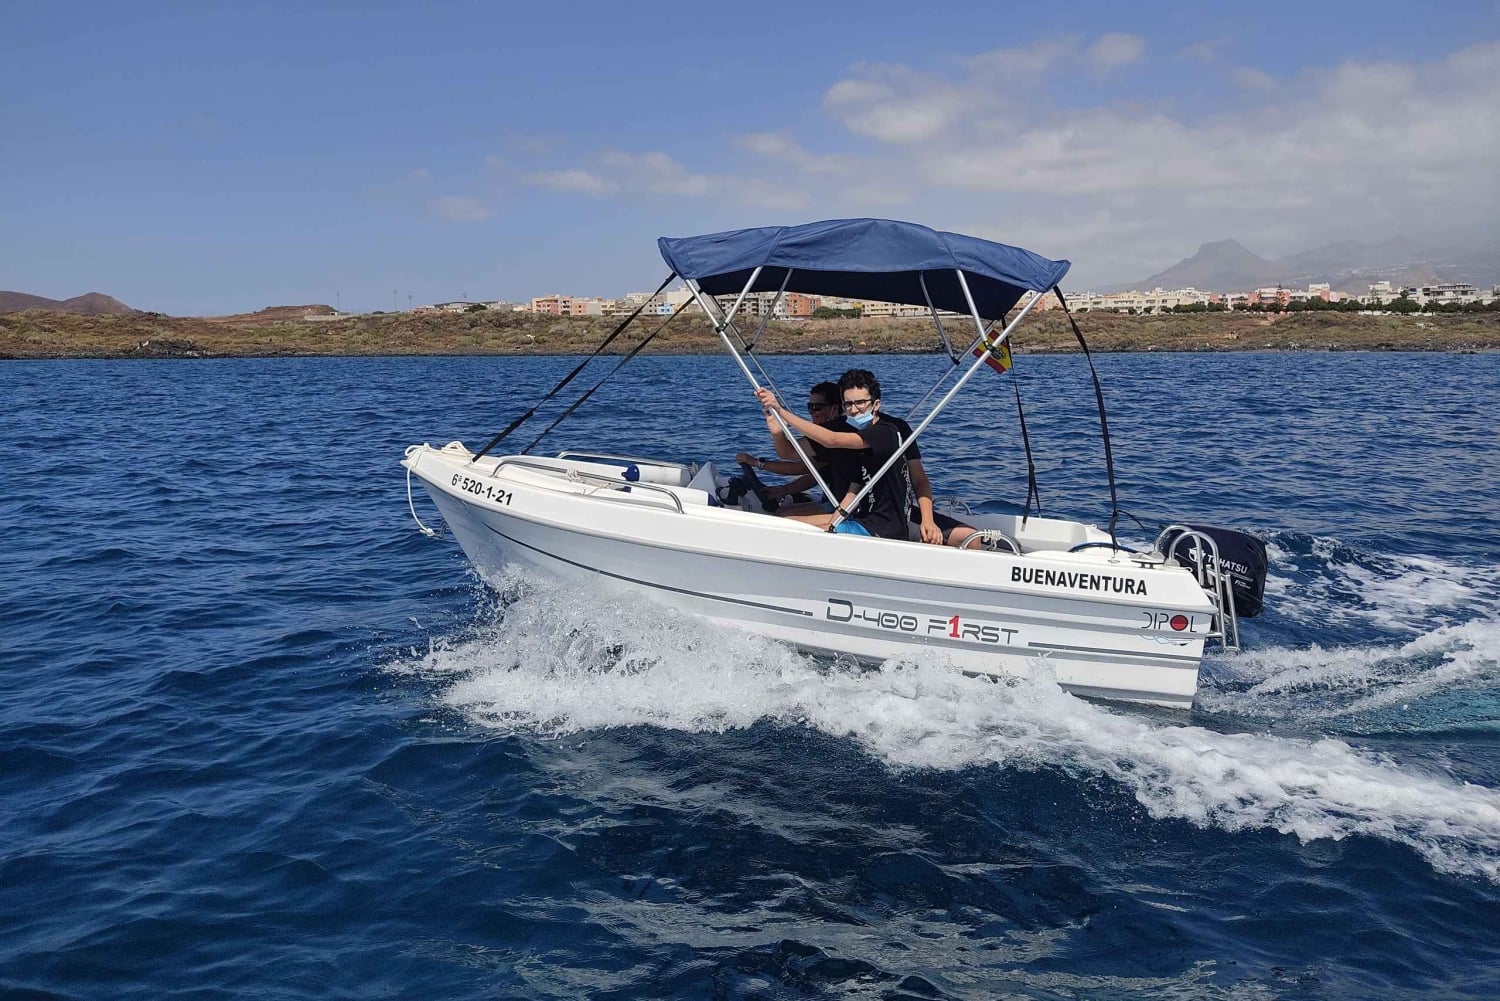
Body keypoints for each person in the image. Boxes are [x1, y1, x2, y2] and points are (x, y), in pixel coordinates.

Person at [754, 369, 910, 539]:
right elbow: (854, 488)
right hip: (860, 518)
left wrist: (781, 410)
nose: (854, 409)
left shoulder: (884, 434)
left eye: (860, 403)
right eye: (848, 404)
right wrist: (834, 522)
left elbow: (831, 439)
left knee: (791, 530)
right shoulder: (858, 443)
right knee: (787, 522)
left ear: (876, 404)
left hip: (884, 526)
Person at [734, 381, 841, 510]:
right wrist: (783, 490)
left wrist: (757, 462)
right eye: (810, 407)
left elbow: (796, 465)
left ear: (834, 409)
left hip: (842, 507)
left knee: (781, 516)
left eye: (817, 407)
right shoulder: (830, 435)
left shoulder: (833, 434)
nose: (812, 412)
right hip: (832, 500)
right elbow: (815, 475)